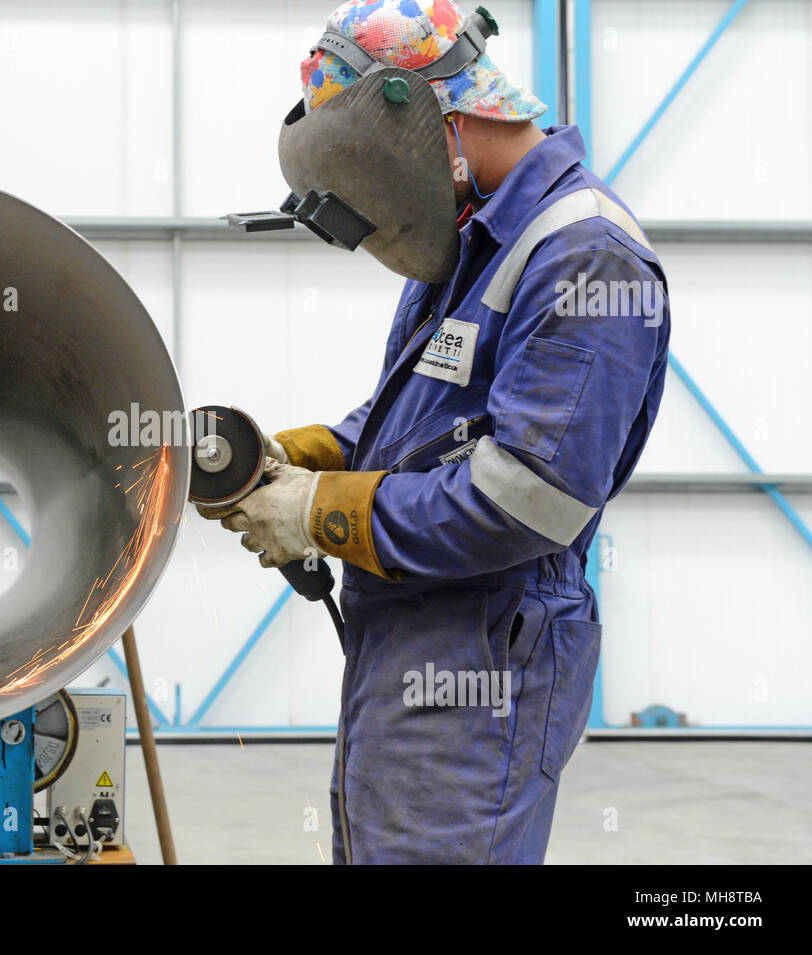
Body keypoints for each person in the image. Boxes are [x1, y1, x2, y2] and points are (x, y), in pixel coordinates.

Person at [199, 1, 669, 863]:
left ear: (427, 128)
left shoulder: (583, 259)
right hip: (409, 631)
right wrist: (305, 458)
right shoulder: (473, 239)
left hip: (485, 651)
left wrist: (320, 513)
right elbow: (422, 423)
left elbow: (525, 501)